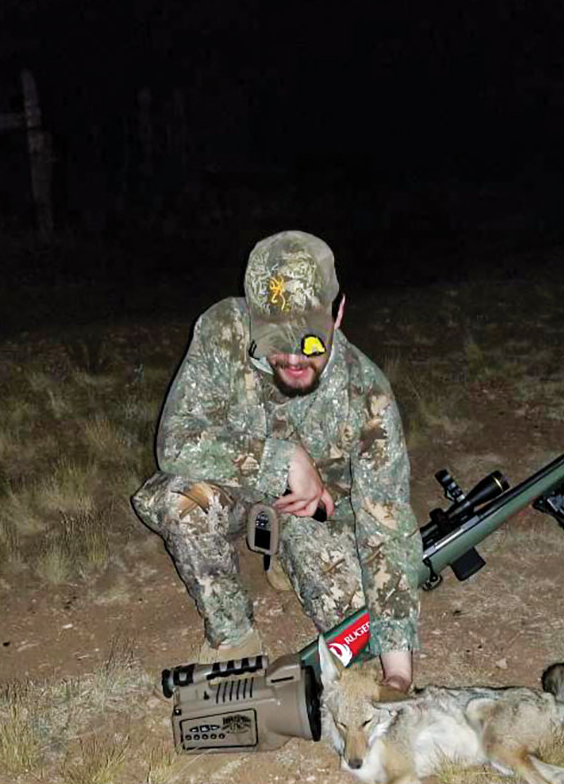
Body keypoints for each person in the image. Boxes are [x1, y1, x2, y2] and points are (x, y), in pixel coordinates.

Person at [131, 230, 421, 692]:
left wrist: (399, 670)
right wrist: (281, 458)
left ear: (338, 313)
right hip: (240, 491)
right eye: (275, 342)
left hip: (315, 518)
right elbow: (176, 442)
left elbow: (386, 529)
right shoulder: (223, 330)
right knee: (182, 500)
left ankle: (284, 557)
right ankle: (233, 636)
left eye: (309, 342)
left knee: (360, 641)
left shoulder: (369, 397)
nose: (292, 358)